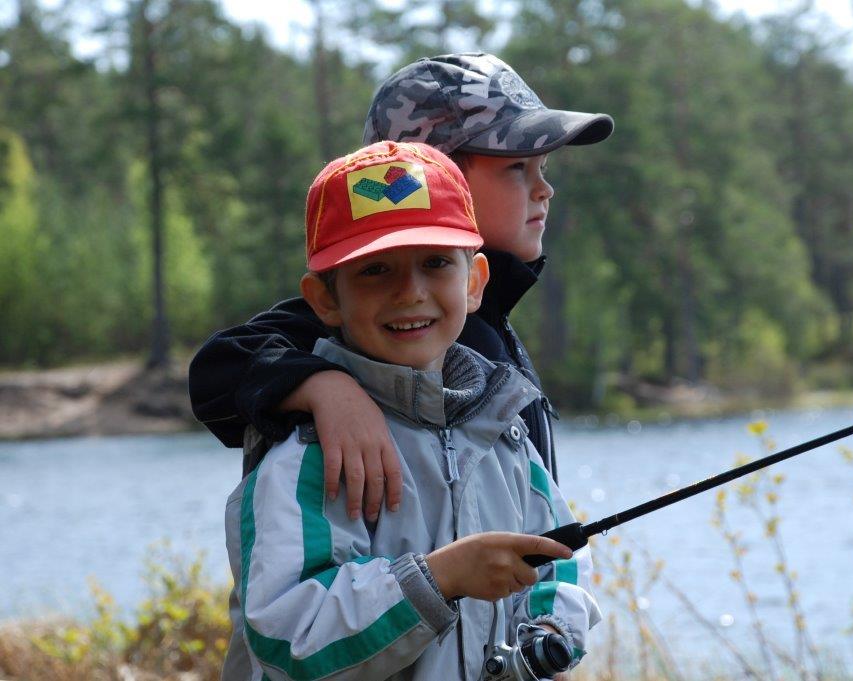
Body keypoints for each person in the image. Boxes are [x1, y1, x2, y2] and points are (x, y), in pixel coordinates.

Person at [221, 140, 600, 680]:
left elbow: (558, 556)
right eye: (376, 270)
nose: (411, 292)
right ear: (325, 299)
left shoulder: (503, 430)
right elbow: (289, 637)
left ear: (473, 283)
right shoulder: (308, 456)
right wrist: (439, 579)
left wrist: (552, 629)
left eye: (436, 262)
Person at [189, 53, 614, 522]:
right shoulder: (374, 317)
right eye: (517, 168)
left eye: (544, 168)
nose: (544, 190)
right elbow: (219, 367)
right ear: (432, 176)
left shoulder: (475, 314)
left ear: (475, 283)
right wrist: (325, 386)